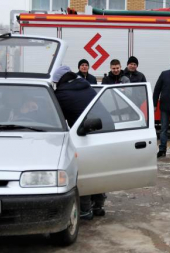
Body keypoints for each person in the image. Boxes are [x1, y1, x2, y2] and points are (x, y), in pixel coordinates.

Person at [52, 65, 108, 220]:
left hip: (85, 134)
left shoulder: (61, 94)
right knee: (98, 170)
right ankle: (98, 205)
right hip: (105, 132)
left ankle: (85, 210)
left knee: (83, 172)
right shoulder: (86, 86)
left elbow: (54, 117)